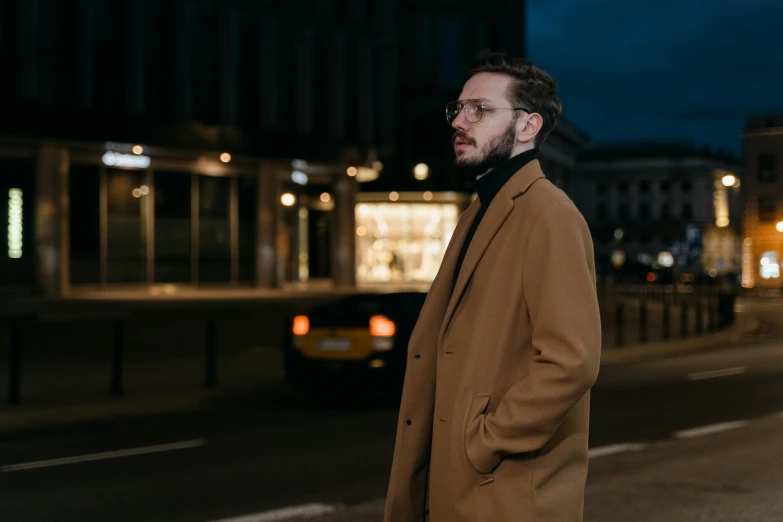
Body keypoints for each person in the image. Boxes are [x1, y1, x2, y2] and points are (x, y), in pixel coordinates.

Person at [383, 51, 602, 522]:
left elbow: (571, 360)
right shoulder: (478, 212)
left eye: (479, 109)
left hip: (503, 495)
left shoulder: (550, 216)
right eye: (457, 109)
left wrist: (484, 441)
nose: (460, 121)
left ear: (527, 126)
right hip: (460, 489)